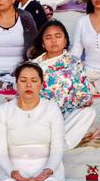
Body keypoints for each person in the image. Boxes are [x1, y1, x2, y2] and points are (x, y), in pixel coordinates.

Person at [0, 63, 64, 181]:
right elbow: (0, 152)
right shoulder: (3, 111)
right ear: (16, 84)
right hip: (13, 166)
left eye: (34, 80)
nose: (29, 85)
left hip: (45, 165)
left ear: (41, 84)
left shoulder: (51, 108)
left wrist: (48, 169)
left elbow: (58, 147)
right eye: (23, 80)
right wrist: (12, 171)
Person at [28, 20, 95, 148]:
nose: (53, 41)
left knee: (88, 113)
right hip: (37, 113)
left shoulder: (75, 63)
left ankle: (59, 145)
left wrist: (85, 100)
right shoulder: (32, 65)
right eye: (48, 37)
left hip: (64, 114)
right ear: (42, 43)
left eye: (58, 36)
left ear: (65, 41)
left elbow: (83, 92)